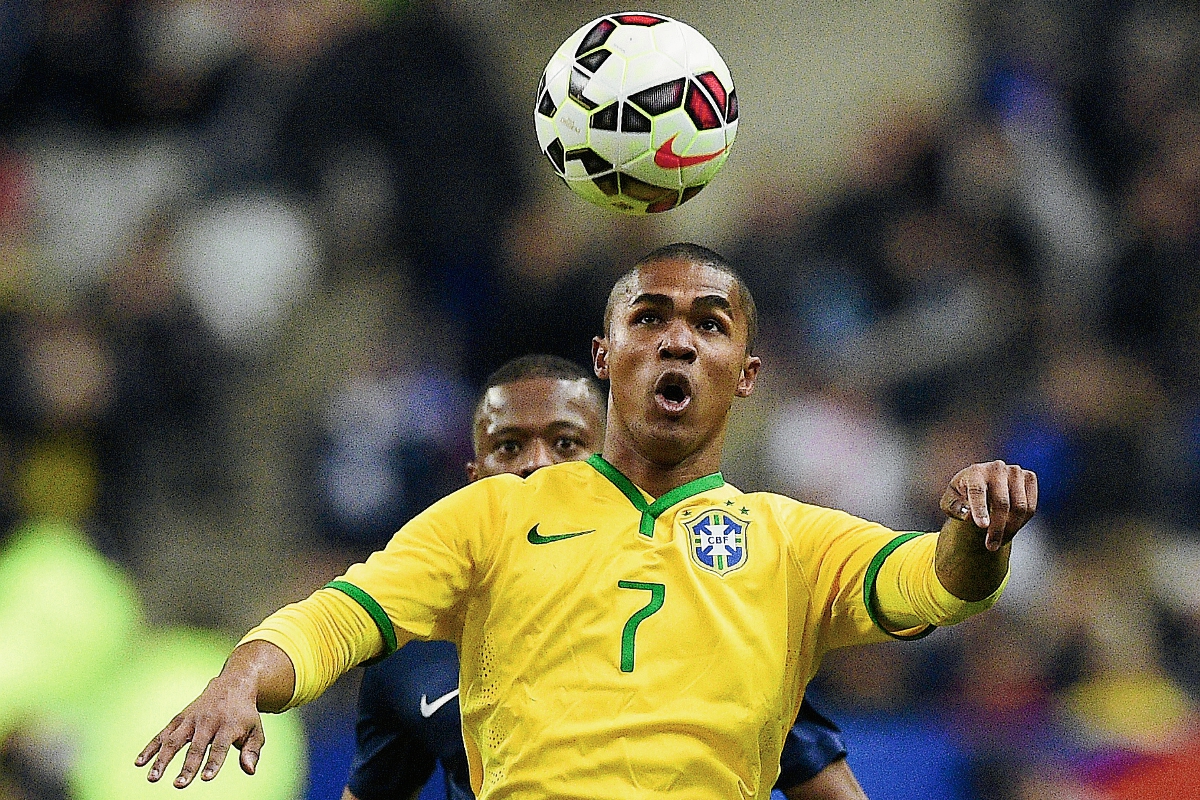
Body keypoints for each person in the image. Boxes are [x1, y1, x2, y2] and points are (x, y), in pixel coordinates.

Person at [136, 243, 1037, 800]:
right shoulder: (494, 515)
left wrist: (977, 532)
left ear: (748, 373)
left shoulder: (792, 542)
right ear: (606, 357)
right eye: (650, 318)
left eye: (708, 324)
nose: (677, 340)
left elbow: (933, 582)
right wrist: (245, 674)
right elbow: (342, 614)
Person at [342, 354, 867, 800]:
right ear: (474, 477)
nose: (537, 467)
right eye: (509, 448)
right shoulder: (411, 649)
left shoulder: (704, 619)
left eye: (567, 445)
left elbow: (827, 786)